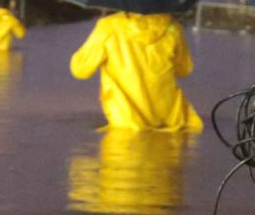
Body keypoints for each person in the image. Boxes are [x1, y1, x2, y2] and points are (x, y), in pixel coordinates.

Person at [70, 10, 203, 132]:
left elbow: (81, 70)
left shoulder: (108, 27)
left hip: (126, 116)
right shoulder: (173, 27)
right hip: (169, 116)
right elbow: (184, 70)